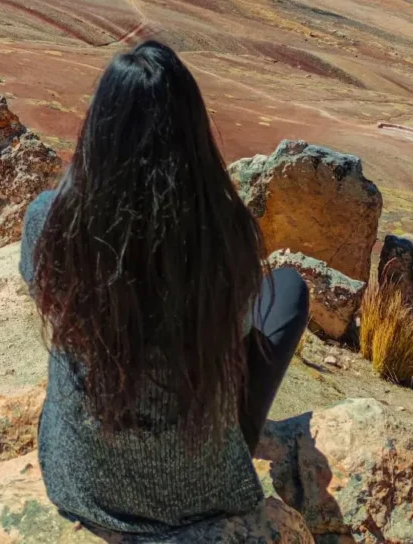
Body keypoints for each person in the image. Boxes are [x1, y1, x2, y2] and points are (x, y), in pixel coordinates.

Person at [20, 40, 309, 533]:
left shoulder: (50, 219)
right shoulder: (227, 234)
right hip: (200, 488)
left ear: (99, 127)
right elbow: (238, 331)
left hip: (83, 479)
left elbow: (44, 296)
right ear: (192, 133)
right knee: (287, 292)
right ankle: (231, 441)